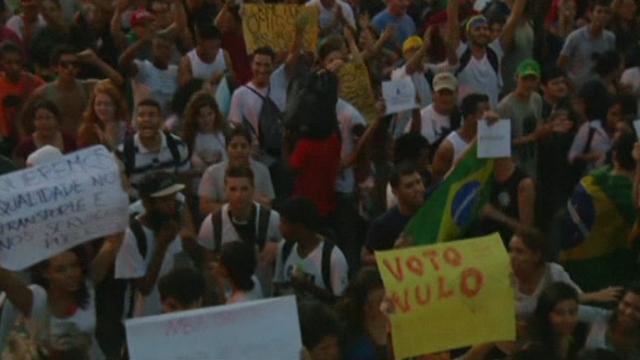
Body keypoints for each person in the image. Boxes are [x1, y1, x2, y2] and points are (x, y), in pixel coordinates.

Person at [0, 241, 122, 359]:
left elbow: (112, 243)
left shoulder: (87, 287)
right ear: (45, 273)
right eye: (61, 270)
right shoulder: (36, 299)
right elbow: (6, 280)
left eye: (74, 265)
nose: (71, 274)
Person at [114, 172, 190, 317]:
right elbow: (144, 288)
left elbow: (175, 266)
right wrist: (161, 246)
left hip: (167, 313)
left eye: (173, 199)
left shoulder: (168, 224)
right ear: (148, 203)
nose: (171, 206)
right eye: (165, 200)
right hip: (139, 317)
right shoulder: (131, 234)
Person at [197, 165, 280, 295]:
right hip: (228, 298)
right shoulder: (212, 224)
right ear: (225, 190)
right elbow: (208, 267)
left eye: (244, 189)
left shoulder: (272, 219)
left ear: (253, 189)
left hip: (264, 295)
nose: (239, 195)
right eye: (233, 189)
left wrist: (279, 247)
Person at [509, 231, 622, 320]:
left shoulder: (553, 272)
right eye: (511, 250)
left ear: (536, 256)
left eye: (519, 252)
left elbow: (574, 297)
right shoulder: (503, 275)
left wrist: (596, 296)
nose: (512, 256)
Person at [28, 45, 123, 134]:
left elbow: (118, 81)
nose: (70, 68)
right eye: (64, 64)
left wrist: (96, 60)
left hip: (84, 142)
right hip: (59, 143)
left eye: (74, 64)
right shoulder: (42, 92)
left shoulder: (87, 86)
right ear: (55, 68)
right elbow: (25, 118)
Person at [446, 0, 525, 107]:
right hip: (467, 120)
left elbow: (514, 17)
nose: (482, 32)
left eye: (485, 29)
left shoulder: (495, 51)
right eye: (477, 29)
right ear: (468, 34)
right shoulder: (461, 52)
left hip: (491, 120)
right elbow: (452, 20)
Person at [273, 197, 349, 302]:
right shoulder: (285, 247)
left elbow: (341, 303)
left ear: (299, 227)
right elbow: (278, 285)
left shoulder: (333, 258)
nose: (279, 227)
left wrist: (310, 287)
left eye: (284, 222)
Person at [117, 98, 190, 191]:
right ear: (135, 121)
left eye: (151, 115)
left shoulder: (177, 146)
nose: (146, 119)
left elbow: (184, 180)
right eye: (141, 115)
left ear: (161, 119)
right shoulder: (123, 152)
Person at [198, 127, 274, 215]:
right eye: (234, 146)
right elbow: (204, 207)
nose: (239, 150)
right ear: (227, 148)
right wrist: (237, 208)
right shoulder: (212, 172)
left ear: (250, 148)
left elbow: (268, 204)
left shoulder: (262, 170)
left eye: (243, 146)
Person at [362, 163, 425, 265]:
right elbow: (365, 258)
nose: (417, 189)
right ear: (395, 191)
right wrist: (394, 255)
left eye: (419, 182)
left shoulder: (435, 213)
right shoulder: (383, 224)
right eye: (409, 186)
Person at [497, 58, 547, 178]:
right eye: (524, 79)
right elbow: (500, 143)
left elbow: (538, 125)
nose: (528, 84)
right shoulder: (505, 106)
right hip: (512, 167)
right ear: (517, 78)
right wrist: (533, 137)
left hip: (531, 162)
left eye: (532, 80)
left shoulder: (537, 99)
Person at [431, 93, 489, 184]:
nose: (489, 116)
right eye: (484, 112)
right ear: (470, 117)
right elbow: (438, 181)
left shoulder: (491, 138)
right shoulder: (448, 147)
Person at [557, 0, 615, 89]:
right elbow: (561, 65)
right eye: (599, 12)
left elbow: (611, 66)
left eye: (607, 12)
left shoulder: (610, 38)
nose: (603, 16)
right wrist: (570, 86)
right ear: (590, 14)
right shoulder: (575, 37)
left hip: (598, 90)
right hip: (575, 89)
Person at [0, 42, 44, 156]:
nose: (14, 67)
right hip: (8, 140)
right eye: (8, 63)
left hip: (34, 135)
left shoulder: (35, 83)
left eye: (17, 62)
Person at [525, 282, 589, 360]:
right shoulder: (533, 348)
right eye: (559, 313)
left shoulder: (580, 332)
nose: (568, 319)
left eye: (572, 312)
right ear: (545, 314)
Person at [119, 33, 179, 116]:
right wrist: (142, 42)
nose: (163, 51)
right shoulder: (143, 68)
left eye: (166, 48)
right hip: (143, 122)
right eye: (158, 47)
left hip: (166, 125)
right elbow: (123, 63)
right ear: (152, 50)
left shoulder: (175, 71)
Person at [338, 267, 390, 359]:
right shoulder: (358, 348)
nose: (389, 303)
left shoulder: (397, 329)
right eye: (380, 300)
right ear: (367, 307)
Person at [579, 283, 640, 358]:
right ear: (619, 303)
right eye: (626, 304)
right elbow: (562, 305)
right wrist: (592, 296)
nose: (629, 312)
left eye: (638, 309)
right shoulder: (600, 317)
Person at [13, 99, 76, 167]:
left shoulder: (69, 141)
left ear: (56, 119)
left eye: (48, 118)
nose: (44, 123)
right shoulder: (25, 147)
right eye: (39, 118)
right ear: (33, 122)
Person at [405, 72, 460, 148]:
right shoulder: (420, 118)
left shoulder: (464, 117)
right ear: (433, 94)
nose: (446, 98)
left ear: (457, 94)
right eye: (441, 93)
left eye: (449, 93)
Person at [77, 80, 130, 150]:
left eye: (107, 104)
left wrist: (106, 143)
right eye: (98, 104)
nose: (102, 108)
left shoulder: (126, 130)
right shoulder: (86, 130)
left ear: (116, 106)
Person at [182, 91, 228, 171]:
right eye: (201, 116)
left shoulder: (225, 133)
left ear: (216, 113)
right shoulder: (190, 138)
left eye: (210, 114)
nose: (206, 120)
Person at [178, 23, 233, 87]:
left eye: (217, 47)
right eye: (211, 47)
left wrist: (224, 76)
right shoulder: (187, 61)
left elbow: (232, 77)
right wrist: (210, 81)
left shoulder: (224, 54)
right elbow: (184, 84)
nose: (215, 52)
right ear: (200, 42)